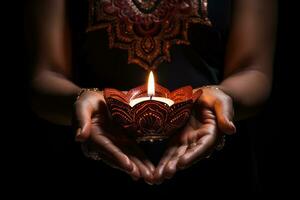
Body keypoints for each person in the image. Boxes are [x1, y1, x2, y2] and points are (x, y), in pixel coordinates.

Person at [28, 0, 277, 194]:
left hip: (214, 165)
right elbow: (44, 76)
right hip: (90, 161)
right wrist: (81, 100)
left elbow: (253, 71)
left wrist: (223, 99)